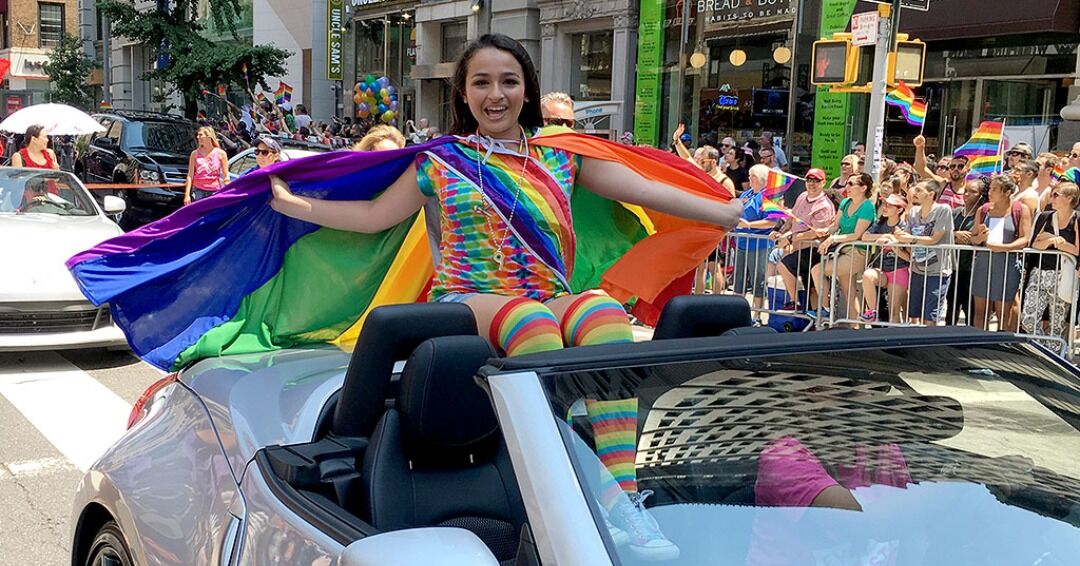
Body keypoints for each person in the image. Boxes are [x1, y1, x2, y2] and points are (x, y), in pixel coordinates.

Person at [268, 33, 742, 558]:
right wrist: (298, 207)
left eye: (509, 81)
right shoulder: (442, 159)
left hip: (546, 293)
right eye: (482, 82)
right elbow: (374, 216)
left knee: (605, 314)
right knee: (532, 325)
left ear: (527, 90)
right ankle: (579, 495)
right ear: (464, 95)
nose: (497, 94)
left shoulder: (561, 157)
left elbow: (645, 188)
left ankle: (624, 499)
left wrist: (725, 212)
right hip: (467, 298)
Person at [809, 172, 876, 325]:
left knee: (817, 270)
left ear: (863, 188)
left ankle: (825, 309)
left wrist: (833, 238)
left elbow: (857, 234)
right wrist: (825, 231)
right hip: (843, 249)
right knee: (849, 293)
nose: (848, 186)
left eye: (852, 184)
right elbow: (835, 226)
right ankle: (855, 328)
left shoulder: (867, 206)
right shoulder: (845, 202)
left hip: (857, 252)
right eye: (847, 183)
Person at [968, 175, 1032, 331]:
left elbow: (1025, 238)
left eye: (994, 189)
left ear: (1007, 192)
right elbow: (974, 238)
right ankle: (979, 343)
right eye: (990, 188)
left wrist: (1005, 247)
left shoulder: (1020, 209)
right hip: (984, 263)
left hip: (1007, 264)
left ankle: (1001, 344)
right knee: (980, 311)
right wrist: (980, 237)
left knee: (1003, 312)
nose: (990, 192)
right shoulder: (983, 210)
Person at [888, 179, 955, 326]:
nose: (914, 193)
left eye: (919, 190)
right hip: (917, 268)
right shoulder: (912, 212)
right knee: (914, 313)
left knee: (930, 316)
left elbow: (934, 239)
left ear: (931, 194)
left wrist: (909, 238)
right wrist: (898, 237)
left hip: (937, 270)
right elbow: (905, 237)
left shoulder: (943, 210)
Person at [1020, 181, 1079, 344]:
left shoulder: (1076, 219)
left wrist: (1057, 243)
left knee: (1057, 324)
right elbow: (1035, 244)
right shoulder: (1045, 217)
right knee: (1028, 319)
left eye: (1056, 195)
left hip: (1063, 275)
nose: (1051, 198)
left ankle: (1053, 355)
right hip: (1039, 273)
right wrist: (1052, 241)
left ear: (1069, 198)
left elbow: (1077, 250)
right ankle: (1041, 348)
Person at [772, 168, 836, 312]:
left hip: (813, 249)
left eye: (816, 181)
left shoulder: (824, 205)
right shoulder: (802, 196)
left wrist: (790, 238)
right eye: (809, 180)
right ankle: (812, 318)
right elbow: (791, 220)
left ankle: (796, 303)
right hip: (798, 247)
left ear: (823, 183)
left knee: (783, 266)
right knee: (811, 287)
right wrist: (779, 232)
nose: (812, 184)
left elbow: (816, 233)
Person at [732, 164, 778, 315]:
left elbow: (772, 222)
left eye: (752, 176)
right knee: (739, 279)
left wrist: (750, 225)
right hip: (741, 242)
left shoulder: (769, 196)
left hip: (760, 244)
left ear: (761, 179)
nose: (749, 179)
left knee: (758, 279)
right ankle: (736, 313)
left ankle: (757, 314)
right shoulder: (746, 194)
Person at [859, 193, 911, 323]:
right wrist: (884, 237)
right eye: (885, 204)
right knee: (867, 275)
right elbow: (865, 236)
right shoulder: (879, 223)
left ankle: (895, 339)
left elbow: (909, 257)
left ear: (899, 210)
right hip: (881, 268)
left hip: (898, 269)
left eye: (890, 205)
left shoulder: (905, 227)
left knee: (894, 312)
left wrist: (894, 247)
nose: (885, 207)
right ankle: (872, 311)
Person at [948, 177, 990, 326]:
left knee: (969, 307)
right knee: (951, 305)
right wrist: (955, 235)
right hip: (953, 266)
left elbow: (979, 237)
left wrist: (973, 238)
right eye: (965, 191)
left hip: (971, 267)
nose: (966, 194)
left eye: (972, 192)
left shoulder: (982, 215)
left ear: (981, 195)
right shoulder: (955, 213)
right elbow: (943, 232)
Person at [913, 134, 965, 208]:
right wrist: (920, 147)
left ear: (968, 169)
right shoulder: (943, 185)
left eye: (960, 166)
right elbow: (921, 169)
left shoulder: (969, 191)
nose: (955, 169)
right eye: (952, 166)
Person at [183, 126, 230, 204]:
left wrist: (227, 191)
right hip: (198, 190)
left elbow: (226, 176)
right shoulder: (194, 154)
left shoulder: (221, 154)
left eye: (200, 135)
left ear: (209, 136)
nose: (198, 137)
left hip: (215, 191)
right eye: (197, 135)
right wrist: (187, 195)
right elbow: (190, 175)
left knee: (212, 214)